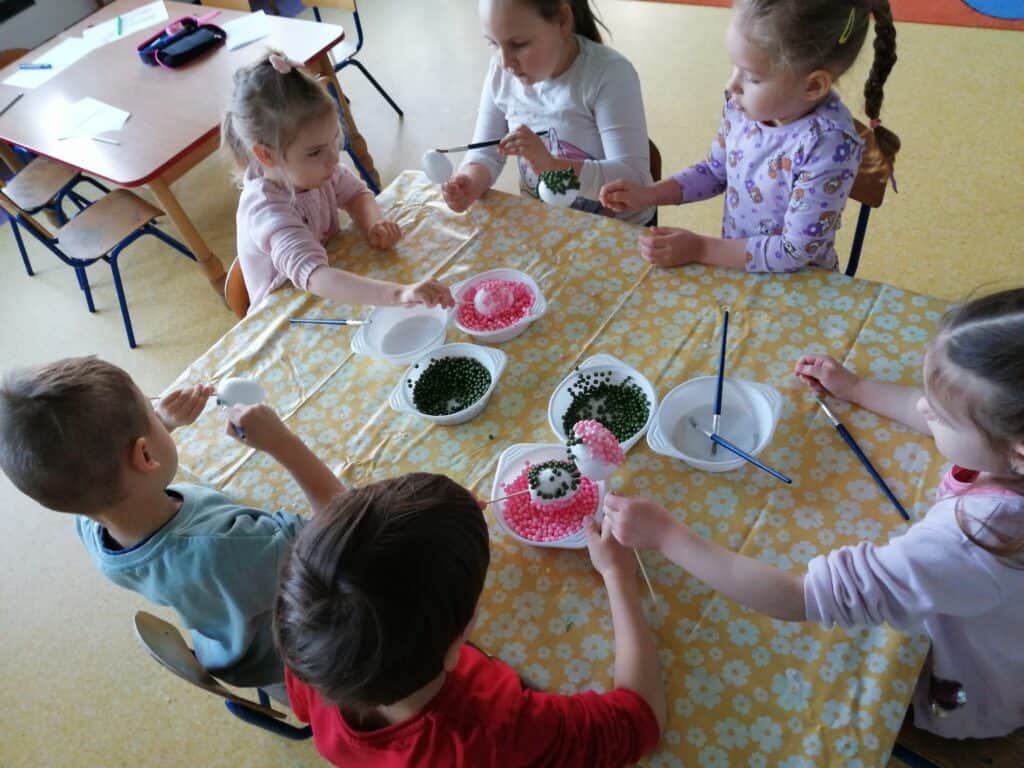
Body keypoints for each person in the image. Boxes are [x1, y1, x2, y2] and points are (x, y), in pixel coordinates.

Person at [604, 287, 1024, 739]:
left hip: (979, 679)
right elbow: (943, 413)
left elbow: (798, 597)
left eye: (940, 414)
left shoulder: (971, 539)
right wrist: (857, 389)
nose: (923, 406)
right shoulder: (1001, 441)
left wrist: (667, 536)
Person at [0, 356, 344, 690]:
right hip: (295, 656)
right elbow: (341, 530)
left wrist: (162, 423)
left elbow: (106, 468)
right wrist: (283, 443)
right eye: (151, 412)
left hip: (227, 645)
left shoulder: (91, 521)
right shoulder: (232, 545)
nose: (157, 413)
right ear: (145, 455)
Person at [276, 472, 666, 766]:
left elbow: (355, 569)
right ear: (455, 650)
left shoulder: (310, 645)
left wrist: (445, 520)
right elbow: (639, 719)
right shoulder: (496, 731)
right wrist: (618, 574)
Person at [601, 0, 900, 272]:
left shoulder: (828, 144)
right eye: (734, 67)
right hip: (735, 265)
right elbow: (714, 171)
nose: (732, 85)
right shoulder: (741, 107)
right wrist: (648, 194)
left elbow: (793, 251)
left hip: (799, 286)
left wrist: (699, 248)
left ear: (813, 86)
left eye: (752, 77)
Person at [223, 52, 453, 310]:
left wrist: (373, 222)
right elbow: (315, 276)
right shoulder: (265, 209)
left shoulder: (317, 171)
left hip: (327, 287)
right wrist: (399, 294)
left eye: (334, 140)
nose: (334, 158)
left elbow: (356, 195)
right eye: (315, 152)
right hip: (286, 313)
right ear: (266, 155)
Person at [443, 0, 655, 225]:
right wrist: (469, 183)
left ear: (562, 21)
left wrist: (551, 165)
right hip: (549, 224)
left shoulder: (609, 75)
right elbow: (485, 153)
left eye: (519, 44)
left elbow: (635, 183)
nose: (505, 62)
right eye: (493, 43)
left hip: (618, 229)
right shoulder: (500, 74)